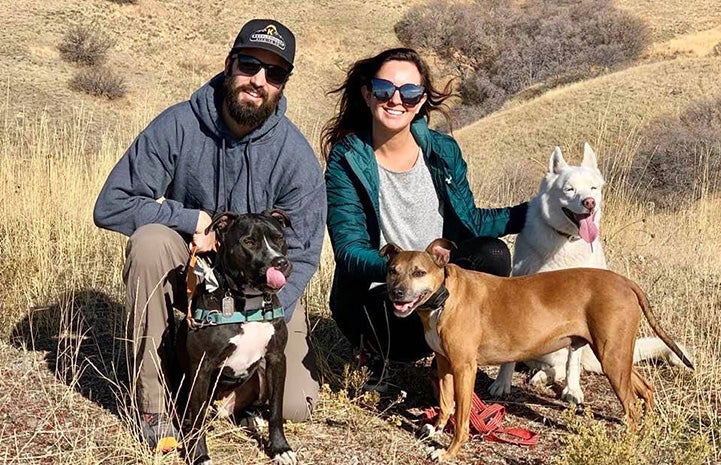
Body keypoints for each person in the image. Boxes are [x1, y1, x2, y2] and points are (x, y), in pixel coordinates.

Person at [93, 19, 325, 450]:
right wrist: (189, 219)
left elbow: (306, 253)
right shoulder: (178, 125)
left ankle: (229, 388)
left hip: (262, 295)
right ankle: (155, 405)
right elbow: (111, 205)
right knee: (150, 242)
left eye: (274, 74)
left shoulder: (296, 156)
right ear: (229, 64)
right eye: (250, 65)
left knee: (296, 403)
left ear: (283, 85)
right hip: (194, 276)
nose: (259, 81)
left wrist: (254, 320)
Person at [321, 48, 527, 386]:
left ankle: (448, 353)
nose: (396, 100)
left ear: (421, 100)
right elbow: (348, 249)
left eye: (410, 92)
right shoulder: (348, 159)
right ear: (367, 93)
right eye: (385, 90)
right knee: (382, 303)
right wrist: (400, 273)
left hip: (435, 293)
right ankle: (379, 352)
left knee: (492, 253)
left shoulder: (443, 152)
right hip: (383, 299)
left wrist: (534, 213)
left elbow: (471, 221)